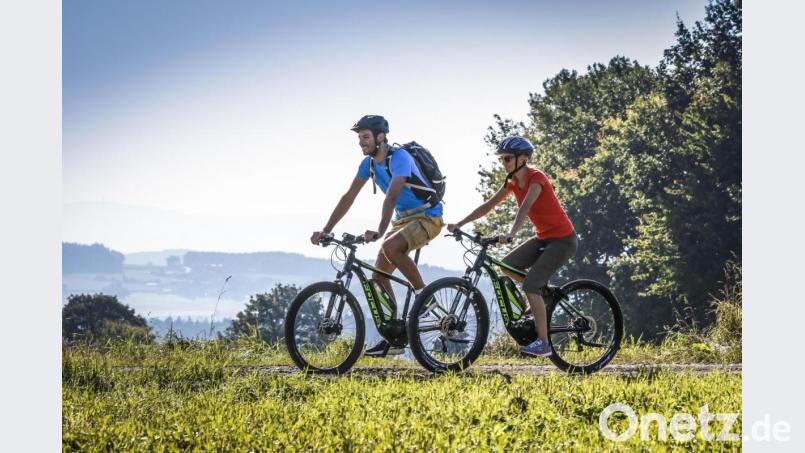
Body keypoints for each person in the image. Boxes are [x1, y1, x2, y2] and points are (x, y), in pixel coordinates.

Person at [310, 115, 445, 356]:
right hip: (403, 220)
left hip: (428, 217)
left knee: (391, 247)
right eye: (359, 138)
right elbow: (348, 197)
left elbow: (391, 196)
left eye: (365, 137)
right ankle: (395, 337)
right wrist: (326, 229)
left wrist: (381, 231)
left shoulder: (400, 158)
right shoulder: (369, 165)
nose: (361, 142)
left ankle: (424, 296)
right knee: (379, 278)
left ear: (380, 137)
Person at [447, 136, 577, 357]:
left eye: (507, 158)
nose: (503, 163)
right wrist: (460, 223)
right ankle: (543, 293)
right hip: (543, 238)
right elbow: (488, 205)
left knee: (531, 286)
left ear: (523, 159)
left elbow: (525, 208)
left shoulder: (537, 178)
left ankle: (544, 343)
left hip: (562, 240)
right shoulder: (512, 182)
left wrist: (511, 233)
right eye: (501, 159)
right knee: (507, 265)